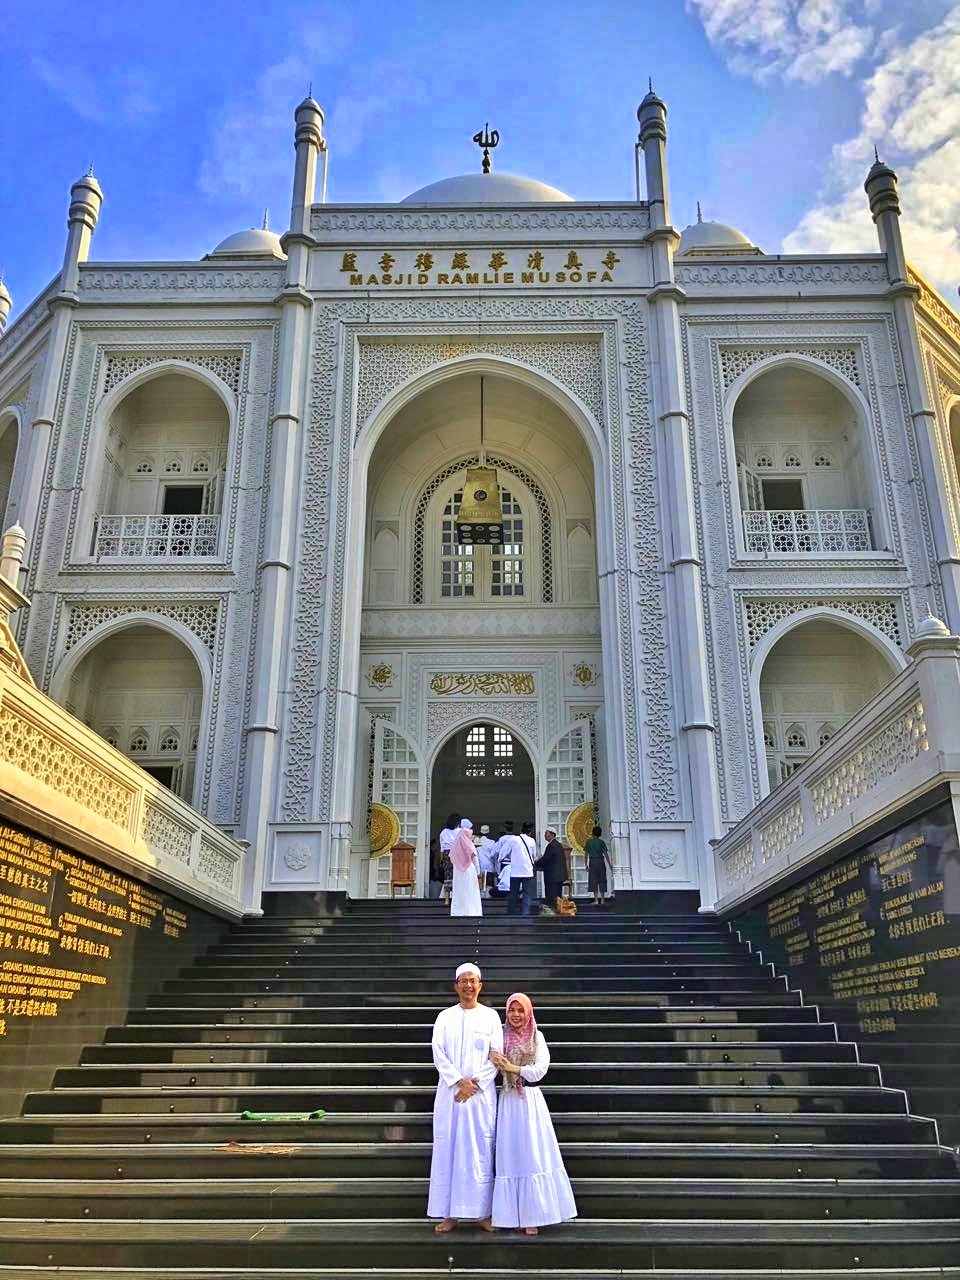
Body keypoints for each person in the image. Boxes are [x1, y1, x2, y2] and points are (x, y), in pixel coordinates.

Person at [489, 992, 577, 1235]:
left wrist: (513, 1068)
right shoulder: (499, 1036)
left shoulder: (537, 1036)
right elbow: (490, 1061)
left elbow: (540, 1069)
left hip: (530, 1102)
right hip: (508, 1101)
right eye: (511, 1011)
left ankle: (533, 1215)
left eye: (520, 1011)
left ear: (528, 1013)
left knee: (532, 1153)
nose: (516, 1015)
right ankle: (509, 1215)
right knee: (510, 1153)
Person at [428, 962, 503, 1233]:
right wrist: (459, 1081)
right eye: (463, 981)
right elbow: (438, 1053)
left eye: (473, 981)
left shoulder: (491, 1017)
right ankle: (449, 1214)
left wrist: (475, 1084)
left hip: (479, 1098)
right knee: (449, 1152)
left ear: (480, 985)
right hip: (450, 1095)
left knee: (478, 1153)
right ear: (456, 986)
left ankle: (482, 1212)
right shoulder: (444, 1017)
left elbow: (497, 1055)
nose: (468, 986)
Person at [449, 818, 483, 917]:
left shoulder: (456, 845)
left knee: (459, 891)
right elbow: (475, 859)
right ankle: (471, 911)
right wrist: (478, 873)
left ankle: (458, 911)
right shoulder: (470, 845)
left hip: (458, 871)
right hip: (469, 870)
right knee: (470, 891)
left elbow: (453, 858)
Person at [506, 821, 536, 917]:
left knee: (513, 892)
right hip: (527, 871)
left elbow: (503, 852)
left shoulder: (514, 840)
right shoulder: (532, 841)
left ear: (521, 830)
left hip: (515, 871)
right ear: (530, 832)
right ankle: (525, 913)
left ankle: (512, 912)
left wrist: (501, 859)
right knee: (527, 893)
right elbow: (534, 856)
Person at [537, 829, 568, 907]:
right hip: (558, 876)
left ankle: (553, 915)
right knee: (557, 897)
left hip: (552, 877)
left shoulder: (552, 845)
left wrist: (536, 862)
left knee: (552, 898)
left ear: (552, 834)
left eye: (546, 833)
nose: (544, 835)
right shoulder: (557, 844)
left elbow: (546, 858)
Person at [584, 824, 614, 906]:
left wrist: (585, 864)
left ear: (592, 833)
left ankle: (596, 900)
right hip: (600, 861)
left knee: (593, 880)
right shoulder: (601, 842)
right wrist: (610, 864)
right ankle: (603, 899)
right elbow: (605, 854)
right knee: (602, 879)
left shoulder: (589, 842)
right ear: (600, 834)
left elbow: (586, 854)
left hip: (592, 862)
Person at [438, 814, 460, 906]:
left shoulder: (443, 832)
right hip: (457, 853)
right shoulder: (459, 831)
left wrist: (441, 859)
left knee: (447, 877)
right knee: (458, 876)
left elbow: (442, 848)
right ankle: (456, 899)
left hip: (447, 855)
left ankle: (446, 899)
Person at [476, 824, 497, 898]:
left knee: (480, 888)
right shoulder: (492, 842)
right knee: (489, 887)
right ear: (488, 832)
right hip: (490, 867)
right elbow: (494, 855)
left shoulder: (476, 841)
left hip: (480, 867)